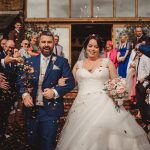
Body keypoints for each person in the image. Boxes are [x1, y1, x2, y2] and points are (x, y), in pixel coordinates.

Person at [56, 34, 150, 150]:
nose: (92, 49)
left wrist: (118, 91)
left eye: (96, 47)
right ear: (85, 47)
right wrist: (60, 82)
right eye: (90, 46)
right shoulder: (78, 65)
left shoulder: (107, 62)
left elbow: (116, 82)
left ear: (100, 49)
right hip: (82, 106)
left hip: (105, 104)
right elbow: (71, 83)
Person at [17, 32, 75, 150]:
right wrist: (25, 94)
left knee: (48, 143)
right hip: (31, 109)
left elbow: (70, 82)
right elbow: (21, 80)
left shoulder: (61, 61)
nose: (46, 44)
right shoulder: (29, 61)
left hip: (51, 110)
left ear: (54, 43)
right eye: (43, 42)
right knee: (31, 143)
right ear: (39, 44)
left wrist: (55, 92)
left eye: (49, 42)